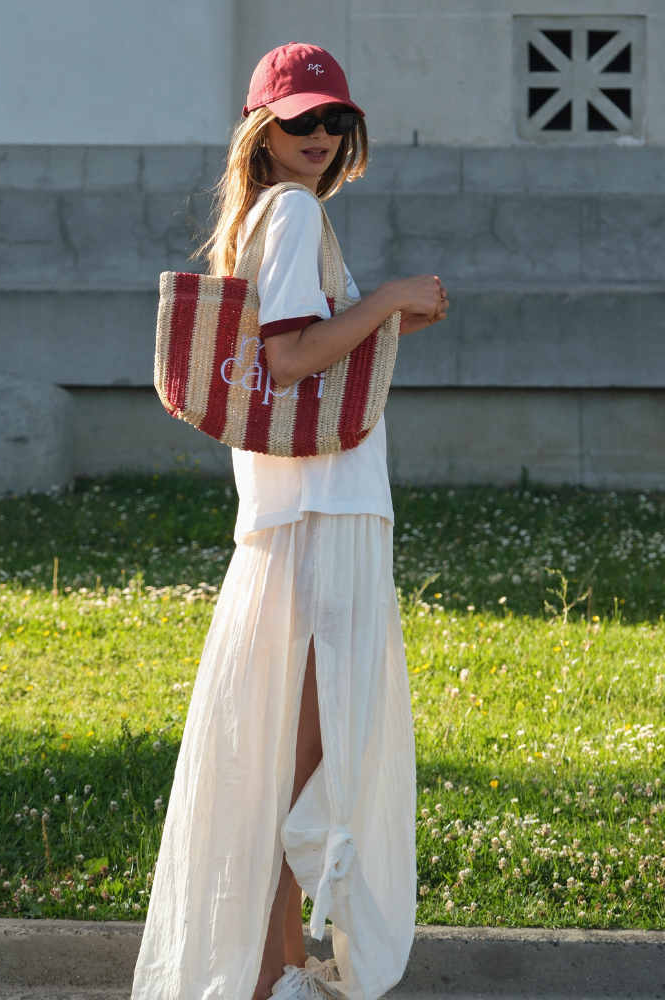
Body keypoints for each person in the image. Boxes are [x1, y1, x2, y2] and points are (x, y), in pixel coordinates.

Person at [131, 42, 449, 1000]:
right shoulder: (298, 211)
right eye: (299, 120)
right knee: (306, 761)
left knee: (282, 758)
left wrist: (381, 319)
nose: (318, 136)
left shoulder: (260, 220)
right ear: (261, 130)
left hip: (290, 517)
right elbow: (291, 360)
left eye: (333, 121)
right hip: (324, 518)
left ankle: (275, 966)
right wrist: (391, 295)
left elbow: (294, 347)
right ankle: (271, 979)